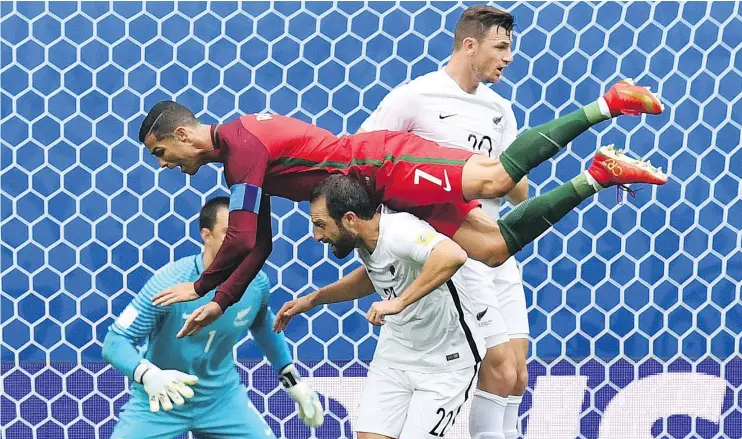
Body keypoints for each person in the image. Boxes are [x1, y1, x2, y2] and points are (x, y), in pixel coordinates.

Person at [141, 77, 664, 335]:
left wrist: (202, 285)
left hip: (381, 163)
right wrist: (225, 300)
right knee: (492, 247)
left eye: (162, 153)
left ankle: (606, 103)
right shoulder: (239, 162)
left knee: (497, 177)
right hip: (380, 193)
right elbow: (260, 243)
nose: (166, 165)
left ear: (185, 134)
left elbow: (240, 237)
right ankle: (599, 175)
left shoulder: (242, 146)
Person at [357, 6, 530, 439]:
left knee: (517, 377)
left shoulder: (500, 110)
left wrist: (504, 167)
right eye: (501, 46)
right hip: (456, 251)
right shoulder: (415, 97)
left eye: (510, 47)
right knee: (498, 367)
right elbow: (362, 158)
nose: (509, 57)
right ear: (468, 45)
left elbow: (515, 187)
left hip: (498, 250)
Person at [274, 174, 486, 439]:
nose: (316, 236)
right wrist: (315, 298)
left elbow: (452, 255)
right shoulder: (366, 239)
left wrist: (399, 302)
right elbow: (377, 273)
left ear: (349, 219)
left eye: (320, 224)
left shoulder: (400, 230)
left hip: (446, 366)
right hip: (395, 356)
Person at [97, 197, 324, 439]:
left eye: (245, 235)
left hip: (222, 399)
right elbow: (115, 342)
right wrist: (149, 375)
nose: (241, 243)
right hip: (161, 398)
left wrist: (293, 381)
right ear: (206, 235)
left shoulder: (256, 284)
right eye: (230, 234)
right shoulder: (170, 282)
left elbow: (264, 325)